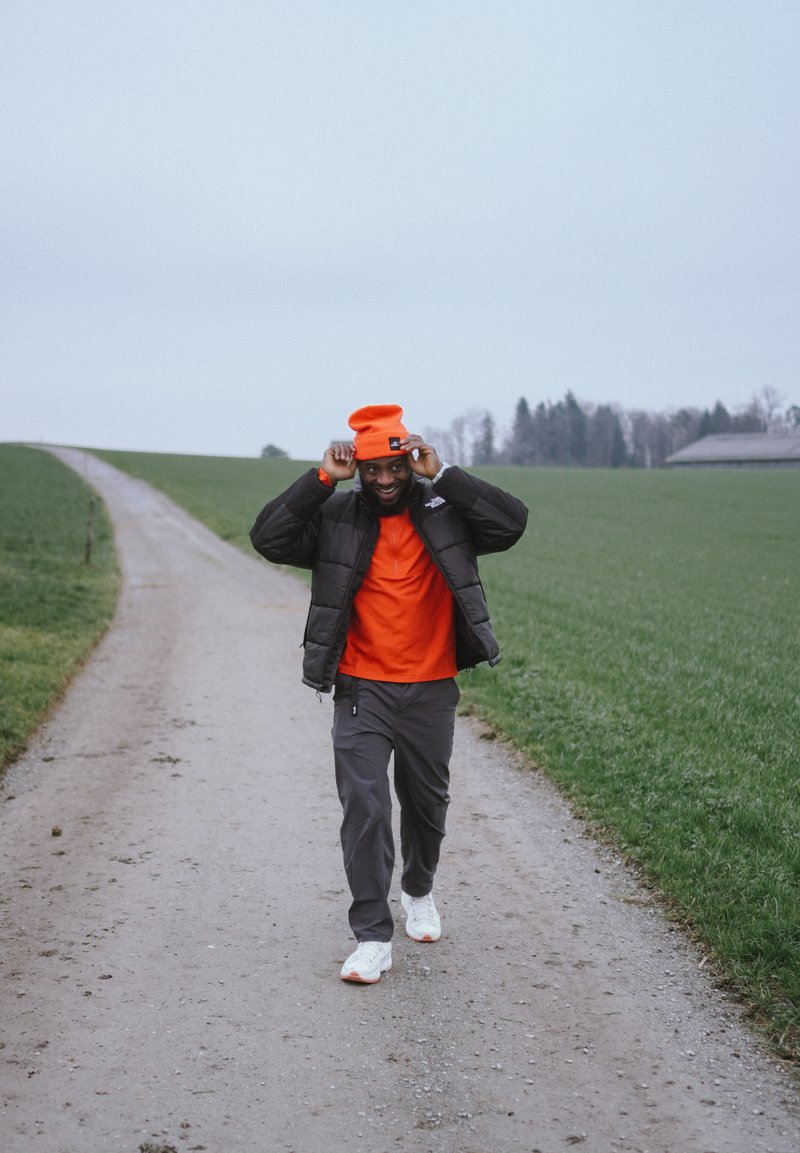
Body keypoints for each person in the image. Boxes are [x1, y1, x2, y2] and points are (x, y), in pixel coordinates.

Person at [250, 404, 528, 983]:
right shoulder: (337, 517)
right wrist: (322, 478)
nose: (383, 481)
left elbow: (511, 523)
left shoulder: (445, 511)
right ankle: (372, 935)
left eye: (394, 469)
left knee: (426, 803)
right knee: (366, 808)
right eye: (372, 470)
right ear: (360, 464)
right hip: (361, 687)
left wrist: (445, 473)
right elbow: (269, 537)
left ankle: (418, 891)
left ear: (409, 461)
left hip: (430, 688)